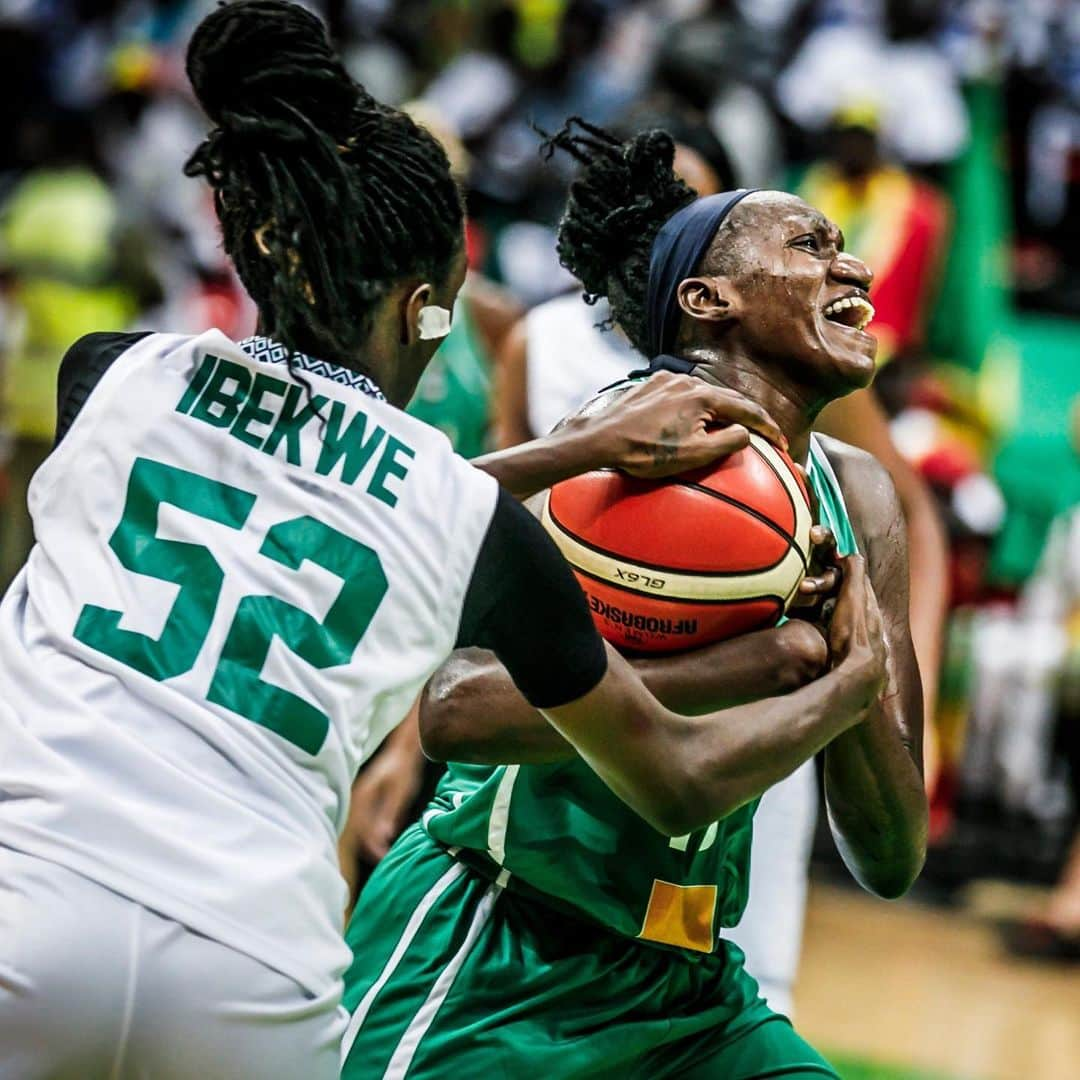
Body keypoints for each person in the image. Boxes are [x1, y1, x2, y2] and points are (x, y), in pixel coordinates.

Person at [0, 6, 888, 1078]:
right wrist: (841, 676)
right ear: (424, 305)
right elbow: (665, 768)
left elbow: (320, 476)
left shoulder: (113, 374)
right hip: (251, 960)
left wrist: (567, 454)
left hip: (31, 888)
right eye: (444, 321)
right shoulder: (463, 519)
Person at [340, 120, 928, 1080]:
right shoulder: (613, 452)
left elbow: (892, 856)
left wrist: (852, 679)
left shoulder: (858, 495)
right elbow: (455, 707)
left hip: (686, 982)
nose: (851, 267)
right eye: (811, 248)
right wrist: (745, 668)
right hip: (496, 945)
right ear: (708, 298)